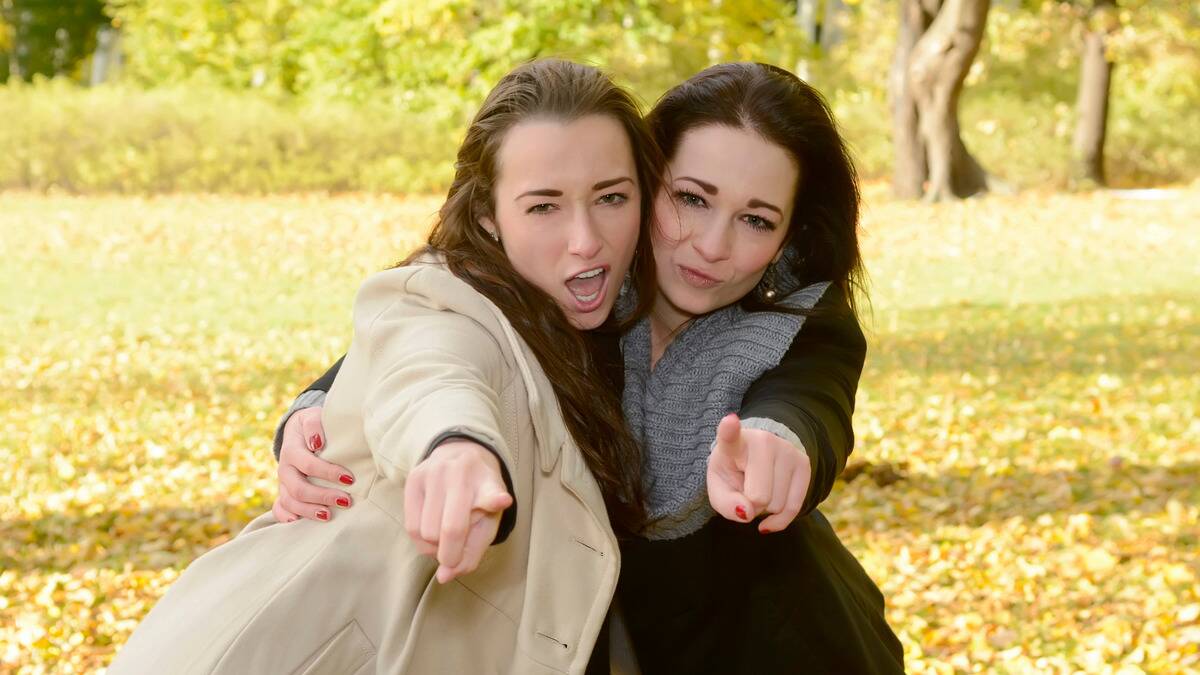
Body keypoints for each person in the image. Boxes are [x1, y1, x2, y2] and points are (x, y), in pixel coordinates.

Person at [273, 63, 905, 673]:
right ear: (642, 182)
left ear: (789, 236)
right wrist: (316, 411)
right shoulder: (580, 280)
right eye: (691, 198)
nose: (713, 246)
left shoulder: (800, 322)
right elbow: (434, 333)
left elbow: (809, 400)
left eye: (756, 219)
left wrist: (782, 442)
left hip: (780, 646)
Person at [107, 58, 665, 675]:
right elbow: (430, 369)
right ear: (488, 218)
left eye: (611, 197)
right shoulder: (439, 301)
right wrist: (456, 449)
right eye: (543, 207)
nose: (585, 238)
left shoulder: (634, 319)